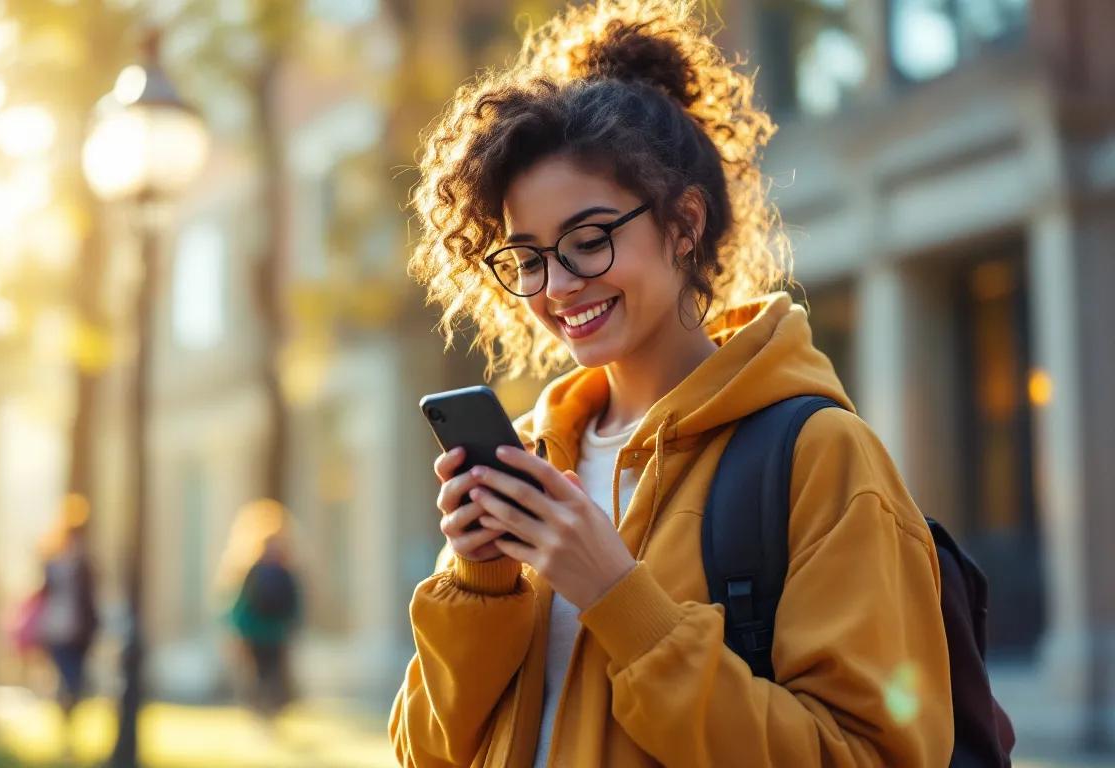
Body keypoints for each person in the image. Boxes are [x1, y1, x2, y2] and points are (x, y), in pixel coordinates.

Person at [390, 1, 954, 766]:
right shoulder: (529, 458)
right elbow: (424, 753)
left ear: (684, 224)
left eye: (588, 241)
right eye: (527, 258)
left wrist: (619, 598)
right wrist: (481, 584)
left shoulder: (820, 457)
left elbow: (869, 756)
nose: (556, 285)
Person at [36, 498, 98, 731]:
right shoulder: (54, 563)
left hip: (76, 631)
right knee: (66, 678)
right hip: (57, 629)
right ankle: (66, 725)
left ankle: (69, 723)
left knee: (73, 680)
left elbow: (90, 601)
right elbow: (44, 593)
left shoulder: (84, 564)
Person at [229, 532, 301, 720]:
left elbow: (243, 602)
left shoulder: (257, 571)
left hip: (260, 631)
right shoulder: (283, 572)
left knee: (263, 671)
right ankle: (268, 707)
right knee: (270, 671)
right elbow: (294, 604)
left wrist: (238, 626)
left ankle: (264, 707)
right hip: (273, 632)